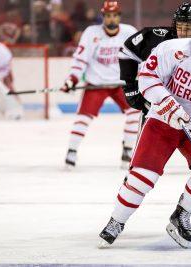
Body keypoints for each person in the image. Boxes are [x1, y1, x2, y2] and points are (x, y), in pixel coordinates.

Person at [99, 9, 191, 248]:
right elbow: (147, 77)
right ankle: (117, 221)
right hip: (161, 121)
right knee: (142, 178)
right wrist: (169, 105)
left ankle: (182, 214)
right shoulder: (172, 49)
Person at [61, 1, 139, 169]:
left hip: (121, 83)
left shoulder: (129, 32)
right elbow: (80, 58)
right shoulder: (91, 33)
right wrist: (72, 78)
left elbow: (140, 57)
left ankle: (127, 150)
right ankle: (72, 151)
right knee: (83, 117)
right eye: (108, 16)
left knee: (135, 112)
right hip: (96, 83)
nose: (111, 19)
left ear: (119, 16)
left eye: (115, 15)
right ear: (103, 17)